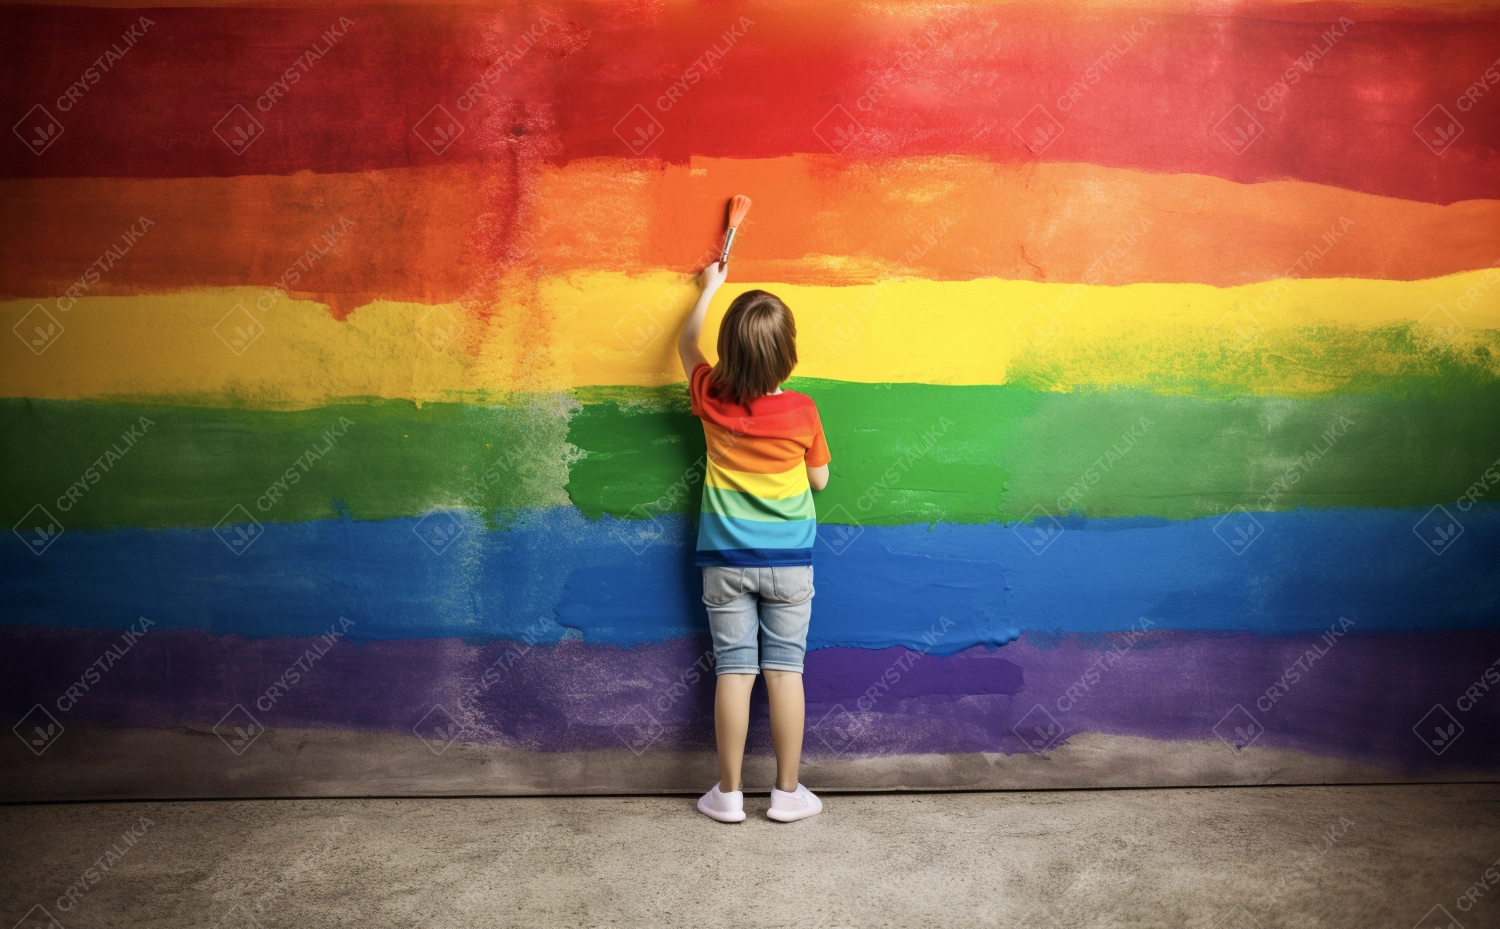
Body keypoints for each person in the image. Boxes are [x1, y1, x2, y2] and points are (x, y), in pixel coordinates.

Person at [677, 258, 830, 824]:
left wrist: (710, 287)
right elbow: (819, 480)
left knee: (734, 672)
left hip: (723, 563)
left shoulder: (711, 398)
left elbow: (686, 342)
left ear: (729, 354)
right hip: (790, 564)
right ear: (788, 354)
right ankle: (788, 795)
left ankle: (729, 794)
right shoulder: (803, 410)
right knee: (786, 672)